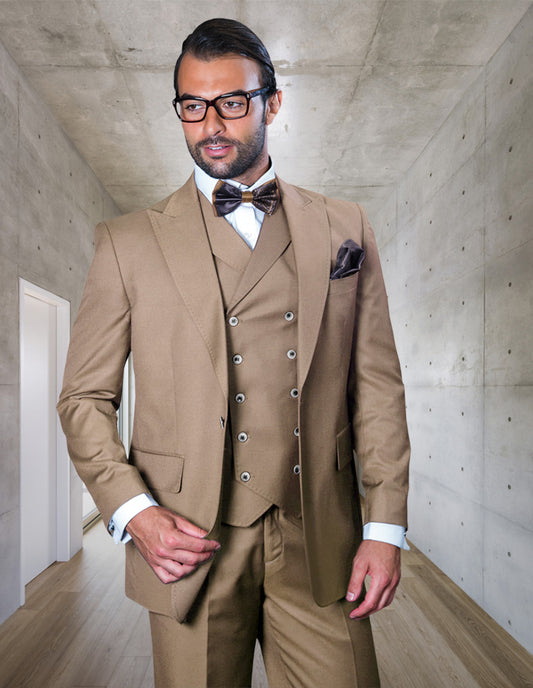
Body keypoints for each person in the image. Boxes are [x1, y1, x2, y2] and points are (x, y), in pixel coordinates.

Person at [58, 17, 410, 688]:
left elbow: (378, 388)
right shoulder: (126, 242)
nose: (210, 123)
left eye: (231, 102)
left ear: (272, 103)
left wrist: (386, 525)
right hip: (187, 541)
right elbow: (82, 398)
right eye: (192, 105)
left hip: (321, 536)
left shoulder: (344, 227)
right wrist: (133, 512)